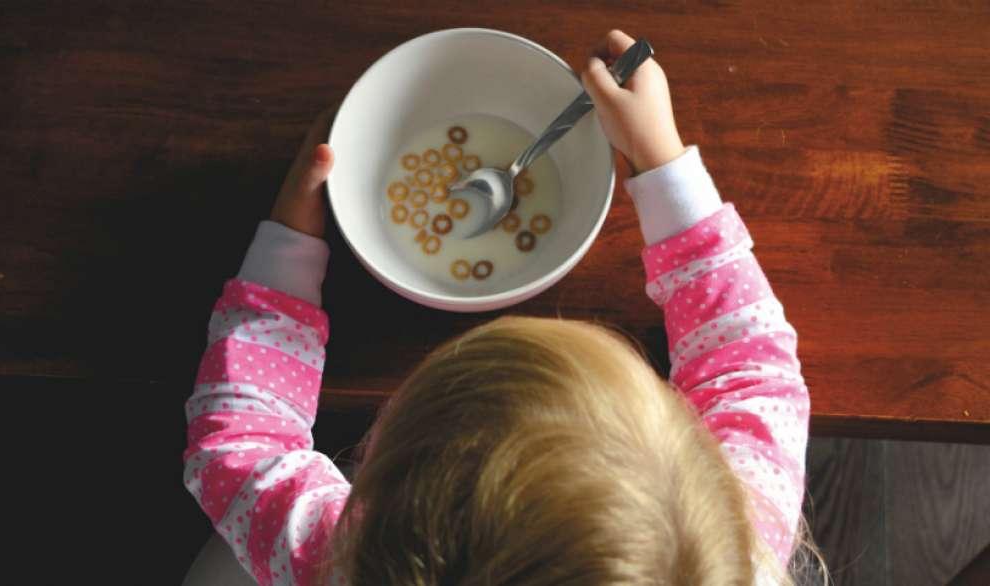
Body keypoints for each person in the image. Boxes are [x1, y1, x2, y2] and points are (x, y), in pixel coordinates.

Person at [184, 29, 821, 585]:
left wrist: (289, 244)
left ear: (383, 499)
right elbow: (750, 367)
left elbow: (241, 447)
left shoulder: (338, 561)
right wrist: (661, 159)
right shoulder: (734, 544)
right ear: (699, 464)